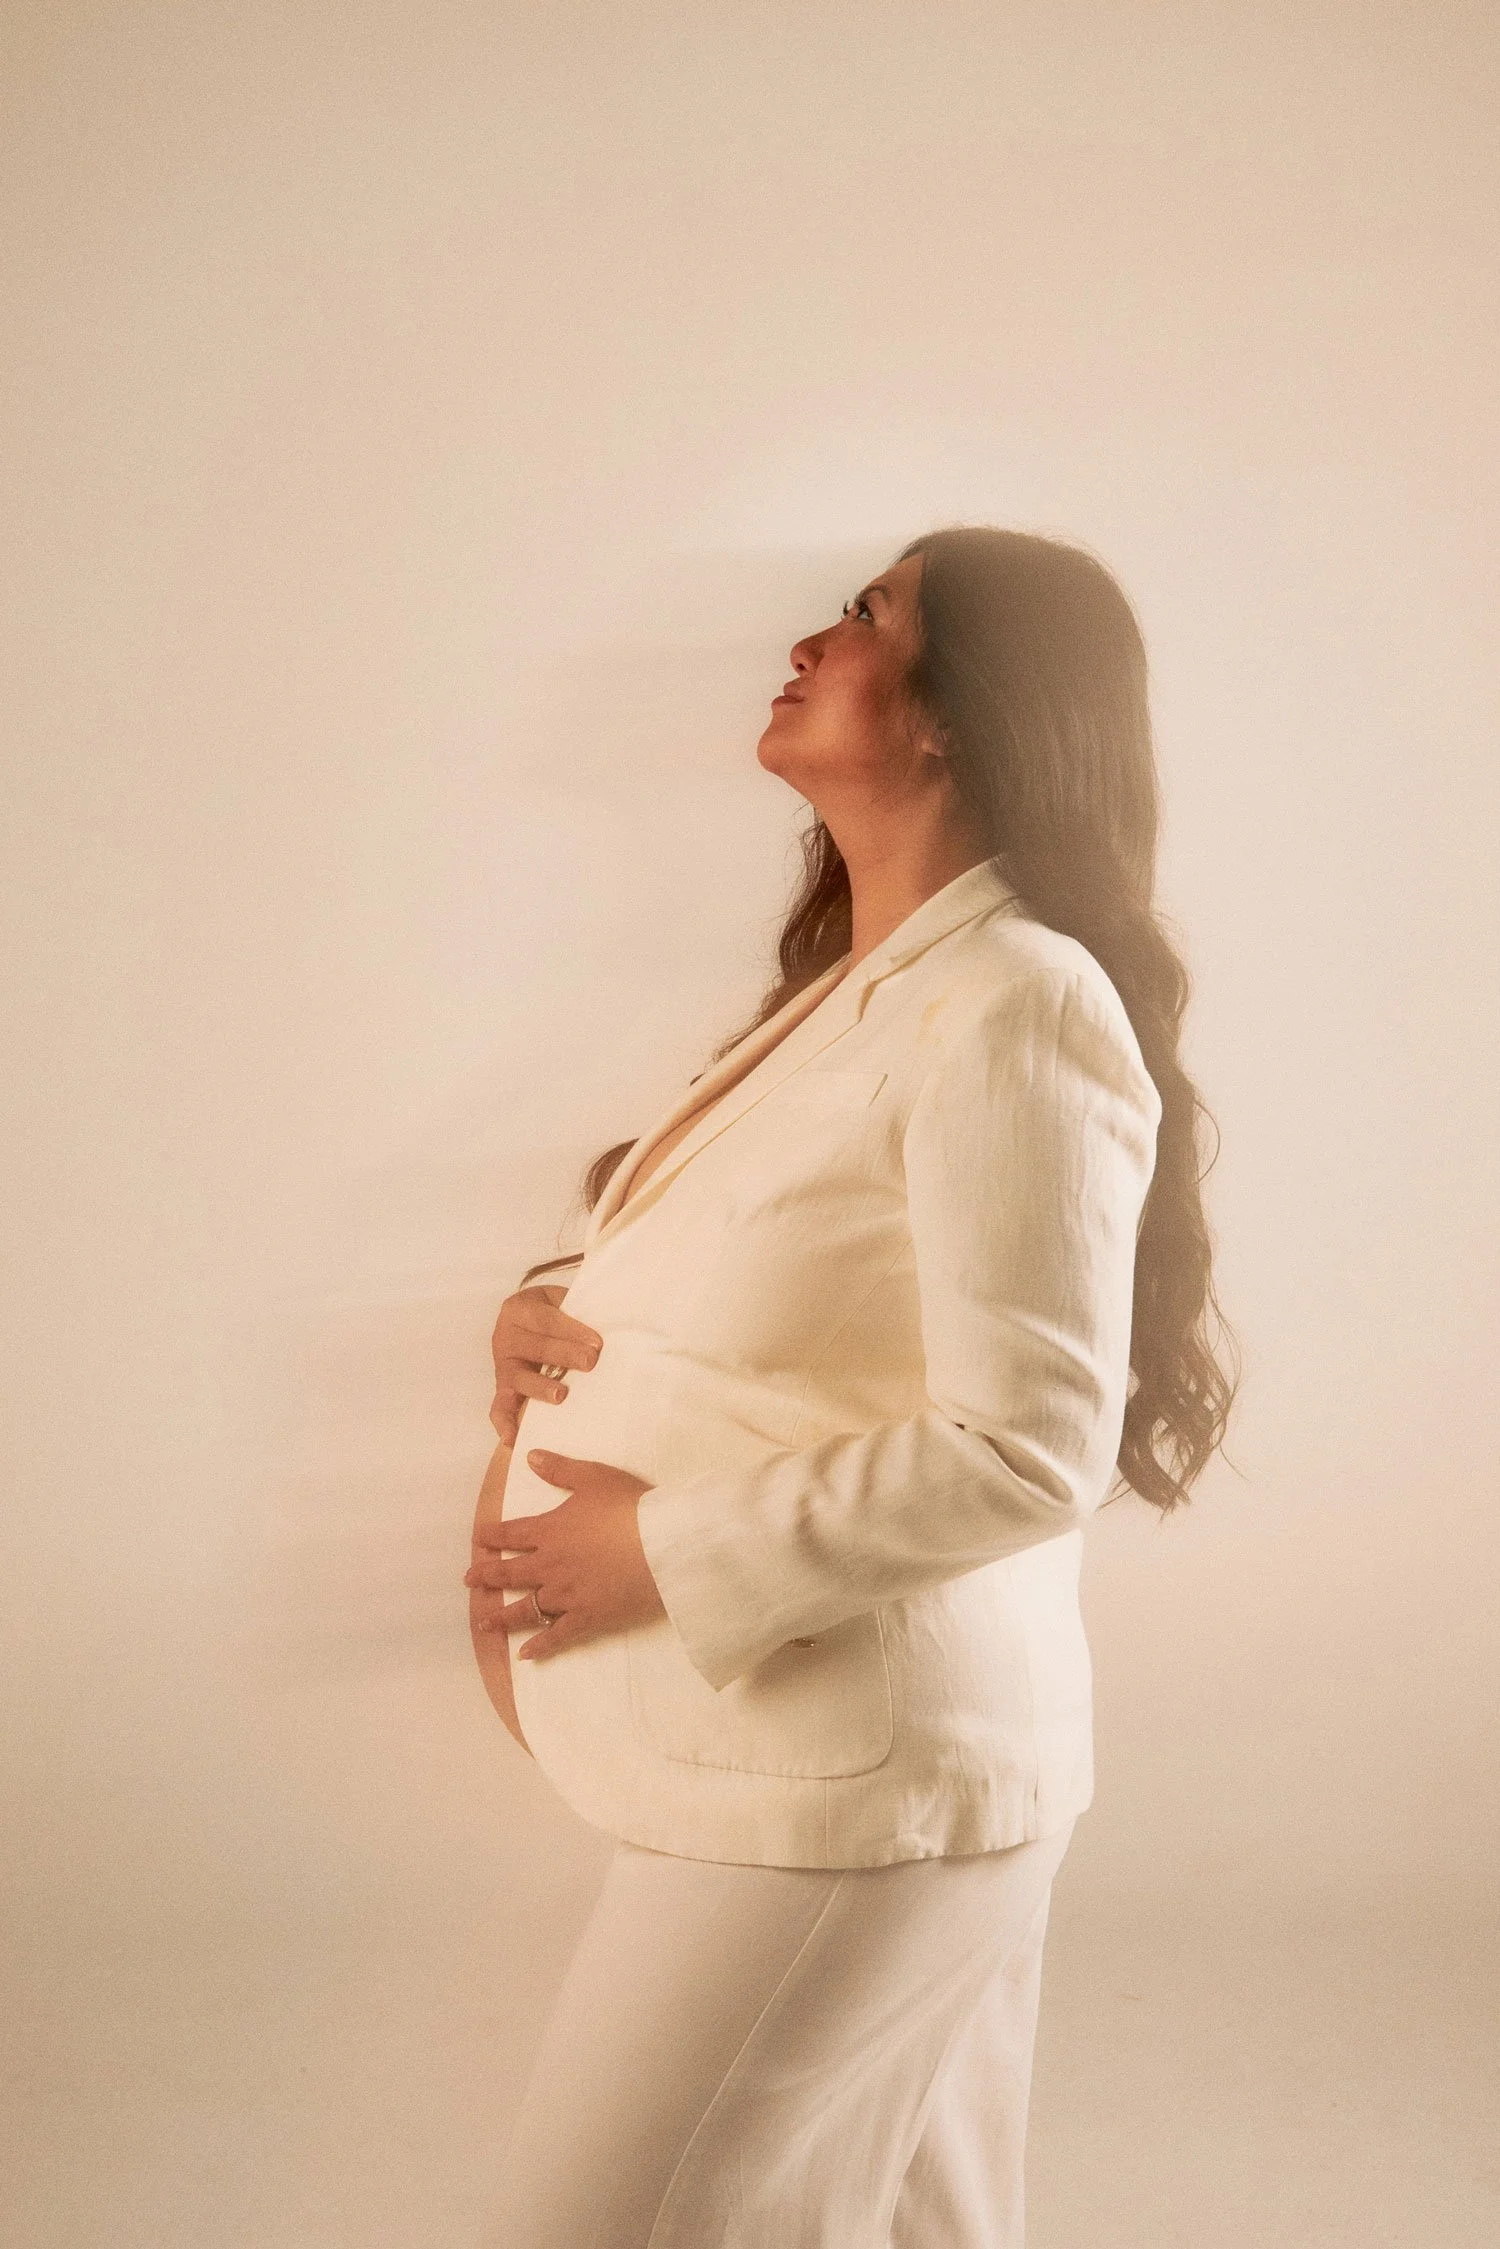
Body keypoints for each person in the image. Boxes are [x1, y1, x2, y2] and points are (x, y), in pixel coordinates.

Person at [466, 526, 1238, 2247]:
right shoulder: (864, 991)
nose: (812, 638)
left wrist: (658, 1547)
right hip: (829, 1772)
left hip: (854, 1795)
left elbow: (1026, 1442)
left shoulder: (1017, 998)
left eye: (870, 613)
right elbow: (814, 1284)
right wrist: (550, 1316)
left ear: (966, 712)